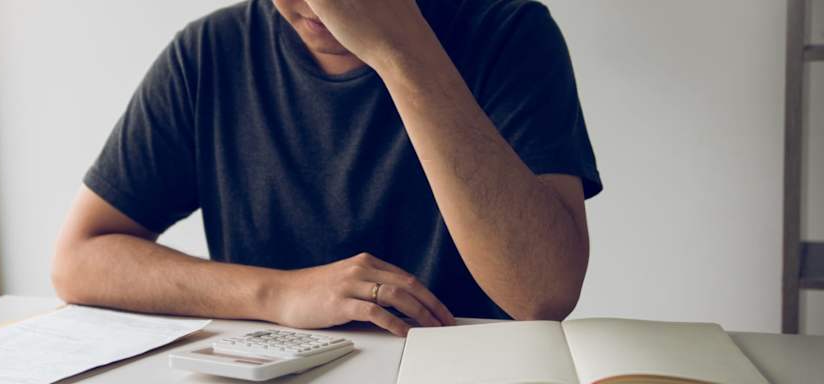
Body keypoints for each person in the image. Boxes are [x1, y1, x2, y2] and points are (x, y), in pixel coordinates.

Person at [53, 0, 602, 337]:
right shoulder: (208, 54)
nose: (324, 6)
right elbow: (80, 260)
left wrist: (398, 50)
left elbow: (541, 294)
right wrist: (279, 293)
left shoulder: (509, 32)